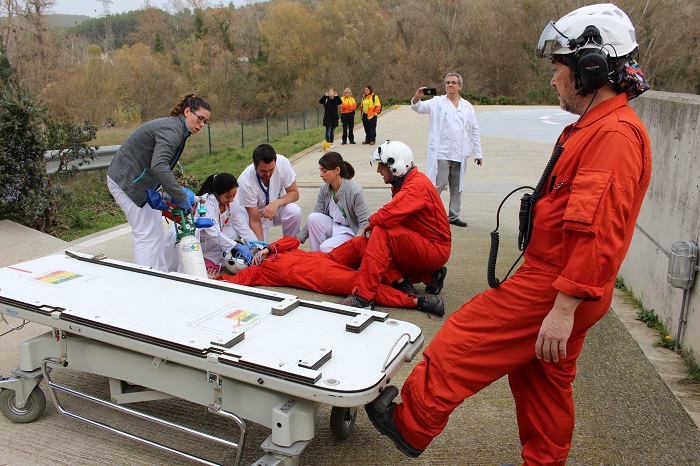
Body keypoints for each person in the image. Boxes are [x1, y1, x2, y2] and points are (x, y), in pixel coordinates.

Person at [364, 4, 652, 464]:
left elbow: (597, 232)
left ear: (590, 67)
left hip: (559, 282)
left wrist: (562, 308)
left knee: (462, 339)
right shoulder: (597, 128)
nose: (553, 77)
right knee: (542, 381)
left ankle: (410, 424)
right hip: (565, 281)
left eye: (558, 65)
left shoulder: (613, 135)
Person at [339, 140, 451, 310]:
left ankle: (363, 297)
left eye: (381, 166)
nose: (378, 171)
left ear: (394, 166)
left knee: (381, 232)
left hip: (434, 249)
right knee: (373, 245)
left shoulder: (416, 186)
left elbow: (387, 216)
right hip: (425, 244)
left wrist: (371, 222)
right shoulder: (407, 183)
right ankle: (430, 276)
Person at [107, 93, 211, 272]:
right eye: (199, 118)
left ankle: (160, 275)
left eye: (205, 122)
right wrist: (180, 196)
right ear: (187, 111)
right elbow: (159, 165)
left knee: (155, 231)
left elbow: (157, 165)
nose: (201, 125)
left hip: (136, 183)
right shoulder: (172, 130)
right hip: (128, 183)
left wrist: (167, 191)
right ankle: (146, 283)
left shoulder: (177, 129)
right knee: (146, 235)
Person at [218, 236, 445, 316]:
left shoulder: (274, 251)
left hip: (328, 258)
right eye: (246, 254)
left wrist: (269, 248)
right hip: (322, 277)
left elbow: (294, 240)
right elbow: (233, 282)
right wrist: (211, 277)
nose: (252, 252)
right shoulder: (256, 272)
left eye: (250, 248)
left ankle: (406, 280)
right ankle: (416, 301)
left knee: (361, 244)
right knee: (361, 282)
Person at [411, 73, 483, 227]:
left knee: (457, 185)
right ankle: (427, 210)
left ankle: (454, 216)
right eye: (448, 83)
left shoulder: (467, 106)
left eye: (454, 83)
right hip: (442, 152)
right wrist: (417, 98)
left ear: (460, 86)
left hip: (460, 151)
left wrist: (478, 152)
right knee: (441, 181)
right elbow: (419, 108)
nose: (450, 85)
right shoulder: (437, 102)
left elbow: (474, 129)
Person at [164, 172, 257, 275]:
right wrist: (236, 246)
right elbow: (212, 232)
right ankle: (202, 259)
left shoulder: (234, 203)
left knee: (234, 232)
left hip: (208, 239)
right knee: (186, 264)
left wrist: (256, 245)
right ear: (217, 193)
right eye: (227, 196)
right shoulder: (206, 202)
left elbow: (241, 225)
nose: (231, 199)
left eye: (234, 195)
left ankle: (210, 259)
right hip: (193, 237)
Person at [298, 152, 370, 253]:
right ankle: (316, 257)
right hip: (334, 226)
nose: (321, 175)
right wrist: (299, 238)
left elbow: (364, 222)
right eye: (320, 170)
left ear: (337, 170)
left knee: (325, 247)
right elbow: (316, 216)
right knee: (313, 217)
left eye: (324, 171)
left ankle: (323, 259)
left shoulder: (355, 191)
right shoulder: (324, 189)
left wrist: (356, 244)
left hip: (350, 231)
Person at [236, 143, 302, 242]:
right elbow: (254, 220)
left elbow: (294, 193)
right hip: (253, 215)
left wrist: (276, 203)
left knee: (294, 211)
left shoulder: (283, 163)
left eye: (271, 169)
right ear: (255, 165)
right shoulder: (245, 181)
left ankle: (289, 246)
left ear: (275, 162)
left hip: (276, 208)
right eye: (263, 170)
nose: (267, 174)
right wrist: (262, 247)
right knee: (258, 249)